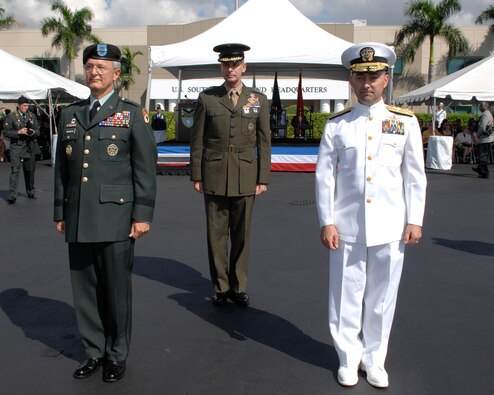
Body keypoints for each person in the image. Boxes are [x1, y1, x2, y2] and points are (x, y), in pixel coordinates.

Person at [315, 42, 427, 389]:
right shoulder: (338, 125)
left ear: (385, 78)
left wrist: (415, 219)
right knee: (346, 295)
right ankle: (348, 358)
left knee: (381, 297)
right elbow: (324, 176)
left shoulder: (404, 123)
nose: (367, 83)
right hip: (347, 225)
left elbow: (414, 174)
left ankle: (375, 359)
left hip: (391, 225)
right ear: (351, 79)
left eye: (374, 76)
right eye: (360, 76)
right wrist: (327, 221)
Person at [54, 43, 157, 382]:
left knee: (115, 292)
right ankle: (94, 351)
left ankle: (116, 354)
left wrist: (142, 215)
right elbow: (62, 169)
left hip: (116, 218)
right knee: (84, 291)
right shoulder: (70, 113)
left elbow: (144, 168)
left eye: (102, 66)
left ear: (116, 73)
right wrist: (60, 211)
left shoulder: (130, 112)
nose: (94, 71)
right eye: (90, 66)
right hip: (79, 215)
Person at [189, 43, 271, 307]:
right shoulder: (208, 99)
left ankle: (238, 286)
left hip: (247, 174)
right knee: (216, 235)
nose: (230, 69)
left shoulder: (257, 100)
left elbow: (264, 141)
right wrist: (197, 175)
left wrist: (263, 178)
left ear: (243, 67)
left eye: (235, 64)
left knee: (242, 234)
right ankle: (221, 287)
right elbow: (197, 139)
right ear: (221, 67)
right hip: (214, 173)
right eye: (226, 64)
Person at [3, 96, 41, 203]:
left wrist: (33, 132)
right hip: (17, 146)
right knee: (15, 170)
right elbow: (6, 132)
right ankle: (12, 195)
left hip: (29, 146)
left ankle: (30, 191)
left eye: (27, 105)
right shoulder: (11, 117)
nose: (26, 107)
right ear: (18, 106)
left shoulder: (32, 116)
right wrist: (18, 132)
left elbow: (38, 131)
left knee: (30, 170)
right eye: (24, 105)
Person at [472, 101, 494, 178]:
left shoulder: (485, 114)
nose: (480, 107)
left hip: (485, 139)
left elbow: (482, 127)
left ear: (486, 106)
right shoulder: (488, 113)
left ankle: (484, 172)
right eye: (480, 106)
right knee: (483, 155)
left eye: (481, 106)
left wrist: (476, 135)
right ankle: (479, 169)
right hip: (487, 138)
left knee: (483, 156)